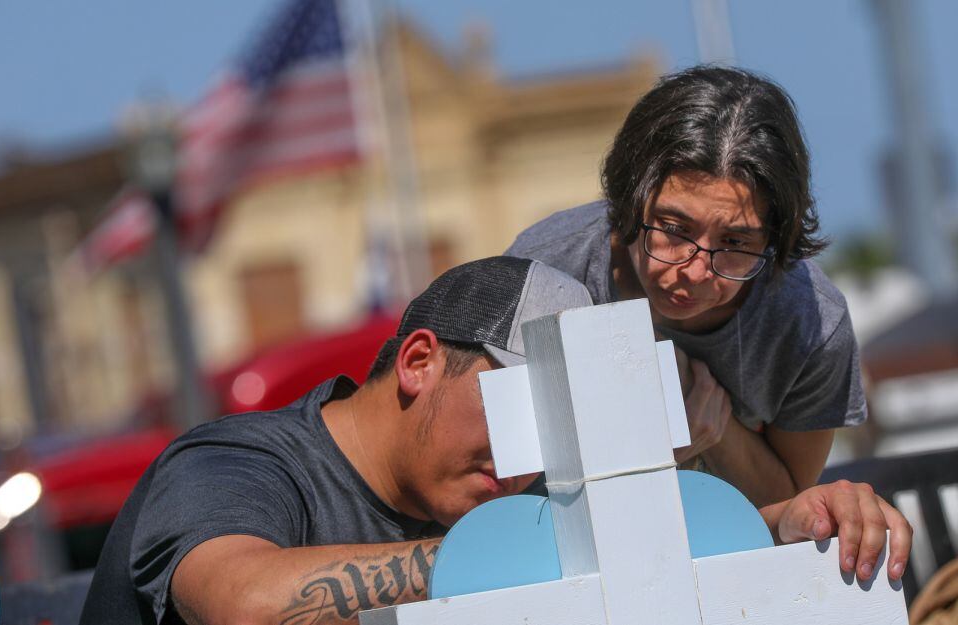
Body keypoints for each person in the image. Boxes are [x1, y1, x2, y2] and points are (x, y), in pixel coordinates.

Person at [80, 257, 911, 625]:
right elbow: (245, 605)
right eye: (522, 412)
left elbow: (636, 553)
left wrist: (792, 525)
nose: (530, 460)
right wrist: (506, 555)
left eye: (560, 430)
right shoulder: (233, 463)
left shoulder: (502, 488)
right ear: (418, 362)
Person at [508, 65, 863, 507]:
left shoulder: (811, 323)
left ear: (775, 237)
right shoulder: (542, 270)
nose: (695, 272)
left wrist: (715, 430)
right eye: (674, 229)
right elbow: (486, 474)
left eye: (735, 242)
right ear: (630, 196)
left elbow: (788, 505)